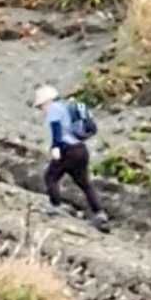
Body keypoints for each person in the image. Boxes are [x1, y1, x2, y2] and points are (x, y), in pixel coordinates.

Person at [33, 82, 109, 230]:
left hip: (67, 150)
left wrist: (56, 147)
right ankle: (99, 213)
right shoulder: (66, 106)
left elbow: (56, 130)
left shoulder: (54, 109)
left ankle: (56, 207)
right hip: (81, 149)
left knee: (50, 177)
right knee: (85, 183)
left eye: (41, 106)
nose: (42, 110)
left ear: (47, 101)